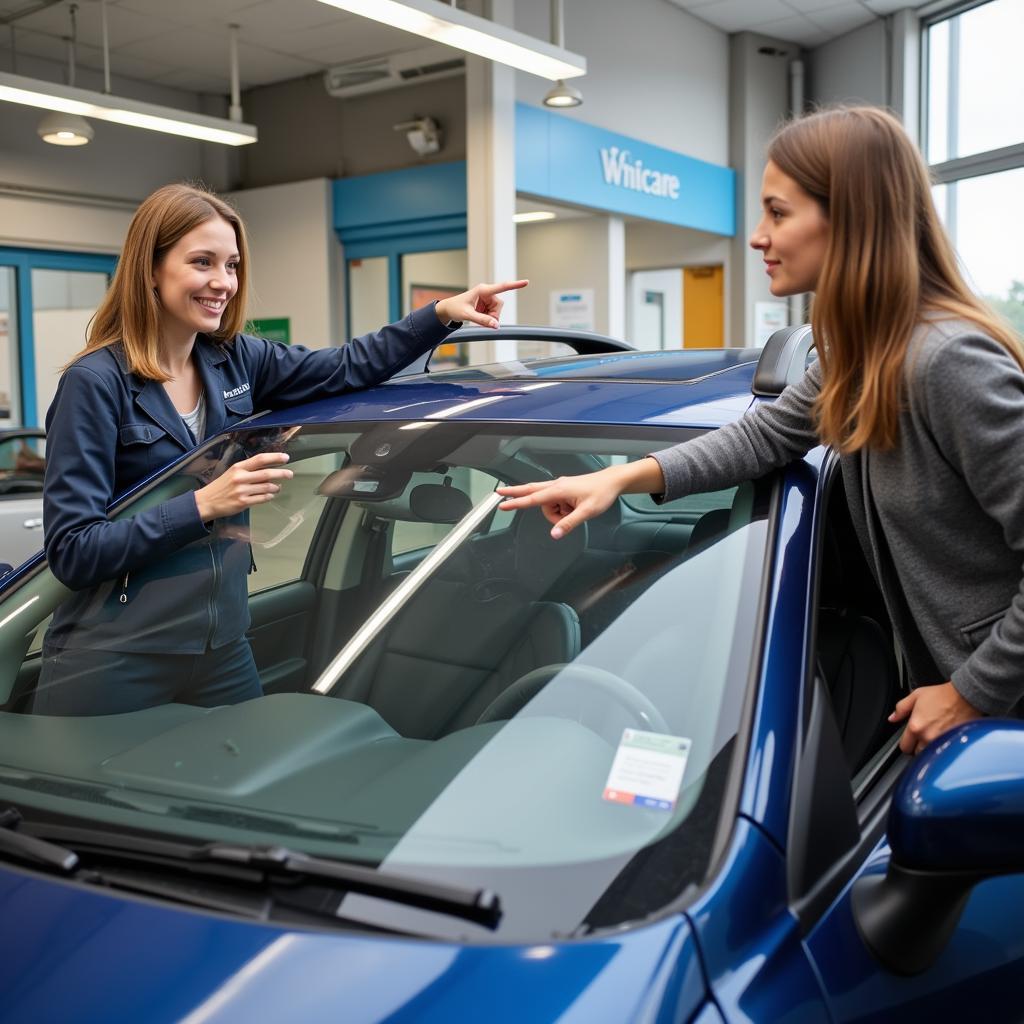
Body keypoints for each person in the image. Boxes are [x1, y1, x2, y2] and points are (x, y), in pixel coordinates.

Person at [498, 105, 1024, 757]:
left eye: (778, 212)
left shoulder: (949, 363)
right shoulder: (862, 356)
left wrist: (974, 689)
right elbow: (762, 438)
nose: (756, 236)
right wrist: (619, 477)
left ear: (850, 217)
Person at [36, 182, 526, 716]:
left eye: (232, 265)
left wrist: (438, 316)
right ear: (150, 268)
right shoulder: (95, 383)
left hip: (221, 644)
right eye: (203, 262)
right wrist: (202, 505)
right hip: (118, 656)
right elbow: (73, 551)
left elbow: (346, 367)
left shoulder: (235, 360)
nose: (222, 282)